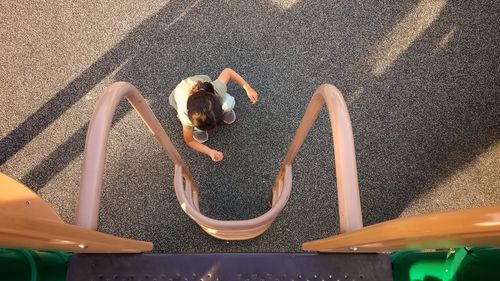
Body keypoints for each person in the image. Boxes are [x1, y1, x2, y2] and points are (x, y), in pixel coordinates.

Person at [169, 68, 259, 162]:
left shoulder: (215, 89)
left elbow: (228, 72)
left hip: (197, 88)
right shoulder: (185, 117)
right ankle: (197, 129)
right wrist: (210, 151)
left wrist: (248, 88)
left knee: (228, 103)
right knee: (195, 125)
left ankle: (199, 127)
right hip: (179, 95)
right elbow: (190, 141)